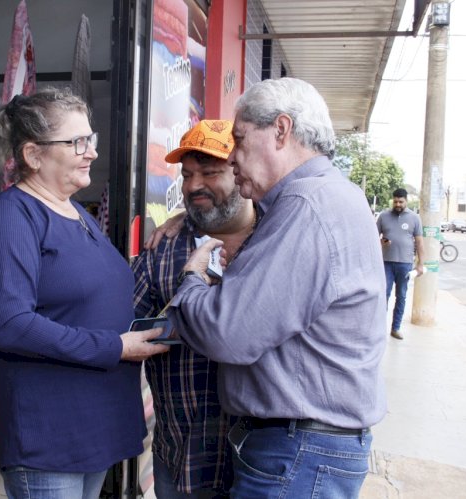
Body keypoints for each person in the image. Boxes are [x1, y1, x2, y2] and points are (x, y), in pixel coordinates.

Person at [166, 77, 387, 498]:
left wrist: (193, 279)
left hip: (298, 451)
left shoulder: (307, 205)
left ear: (281, 131)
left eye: (241, 140)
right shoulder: (328, 197)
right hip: (303, 449)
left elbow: (226, 333)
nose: (234, 160)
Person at [0, 87, 169, 499]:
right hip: (50, 435)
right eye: (77, 142)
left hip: (92, 423)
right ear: (33, 155)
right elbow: (10, 326)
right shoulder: (9, 220)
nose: (91, 151)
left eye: (90, 140)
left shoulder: (76, 212)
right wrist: (113, 346)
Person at [132, 120, 255, 498]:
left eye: (210, 172)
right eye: (187, 174)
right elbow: (124, 330)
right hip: (181, 458)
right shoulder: (163, 250)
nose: (193, 185)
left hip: (260, 463)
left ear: (241, 173)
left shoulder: (278, 240)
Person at [376, 188, 425, 340]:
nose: (397, 204)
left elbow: (419, 242)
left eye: (401, 202)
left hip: (405, 264)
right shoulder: (383, 216)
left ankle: (395, 328)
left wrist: (420, 263)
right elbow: (374, 237)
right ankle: (378, 329)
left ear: (406, 201)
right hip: (386, 263)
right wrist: (382, 241)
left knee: (401, 296)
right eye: (395, 201)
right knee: (383, 295)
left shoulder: (414, 218)